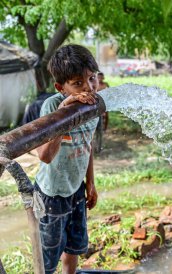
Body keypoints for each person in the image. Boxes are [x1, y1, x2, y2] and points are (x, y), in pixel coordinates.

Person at [34, 44, 99, 274]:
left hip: (75, 190)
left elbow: (87, 144)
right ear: (61, 87)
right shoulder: (52, 106)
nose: (89, 88)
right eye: (78, 83)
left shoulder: (92, 108)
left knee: (73, 248)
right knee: (48, 257)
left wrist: (90, 183)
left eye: (92, 78)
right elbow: (45, 156)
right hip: (51, 194)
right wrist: (63, 114)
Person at [94, 72, 109, 153]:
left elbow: (109, 94)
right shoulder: (94, 85)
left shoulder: (105, 85)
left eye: (101, 77)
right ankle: (94, 147)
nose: (100, 78)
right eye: (98, 77)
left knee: (100, 129)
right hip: (95, 109)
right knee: (94, 129)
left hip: (104, 107)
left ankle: (98, 148)